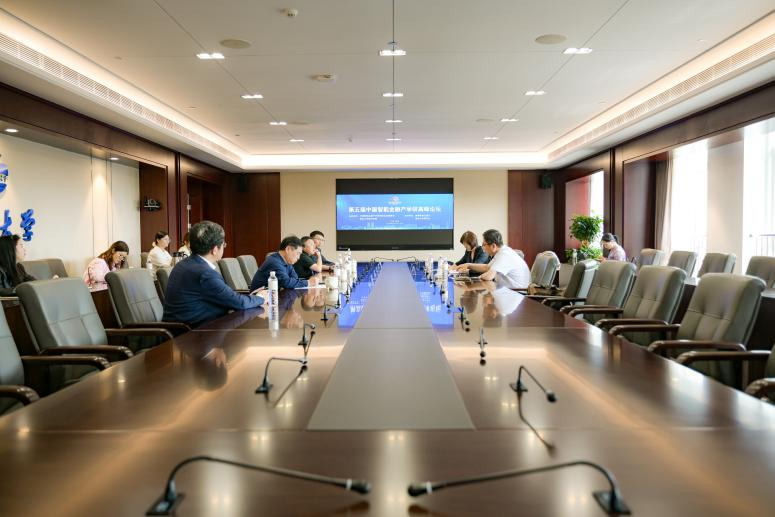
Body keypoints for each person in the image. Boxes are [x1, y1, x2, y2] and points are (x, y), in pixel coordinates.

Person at [163, 220, 267, 328]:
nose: (224, 247)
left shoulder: (184, 264)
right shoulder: (205, 274)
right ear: (215, 249)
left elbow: (228, 297)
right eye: (224, 245)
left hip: (192, 328)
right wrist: (261, 297)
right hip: (194, 332)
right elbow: (239, 303)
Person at [459, 229, 530, 289]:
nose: (483, 248)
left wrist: (470, 287)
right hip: (507, 291)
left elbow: (488, 276)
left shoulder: (504, 255)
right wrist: (468, 265)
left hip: (517, 294)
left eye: (484, 245)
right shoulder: (500, 252)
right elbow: (487, 267)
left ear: (493, 246)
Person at [251, 236, 318, 291]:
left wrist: (292, 282)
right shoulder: (274, 262)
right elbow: (286, 282)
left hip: (272, 296)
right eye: (298, 253)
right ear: (288, 249)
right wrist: (308, 282)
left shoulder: (286, 261)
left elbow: (295, 278)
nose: (298, 258)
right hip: (259, 299)